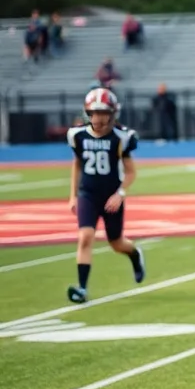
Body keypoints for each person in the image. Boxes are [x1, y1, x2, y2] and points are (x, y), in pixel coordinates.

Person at [66, 87, 147, 303]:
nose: (99, 118)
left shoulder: (121, 137)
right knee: (85, 237)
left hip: (111, 195)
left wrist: (120, 193)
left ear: (112, 115)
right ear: (88, 113)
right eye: (95, 112)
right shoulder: (78, 135)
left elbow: (130, 172)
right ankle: (82, 289)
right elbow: (77, 165)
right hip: (88, 194)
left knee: (117, 242)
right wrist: (73, 195)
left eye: (103, 113)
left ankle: (135, 255)